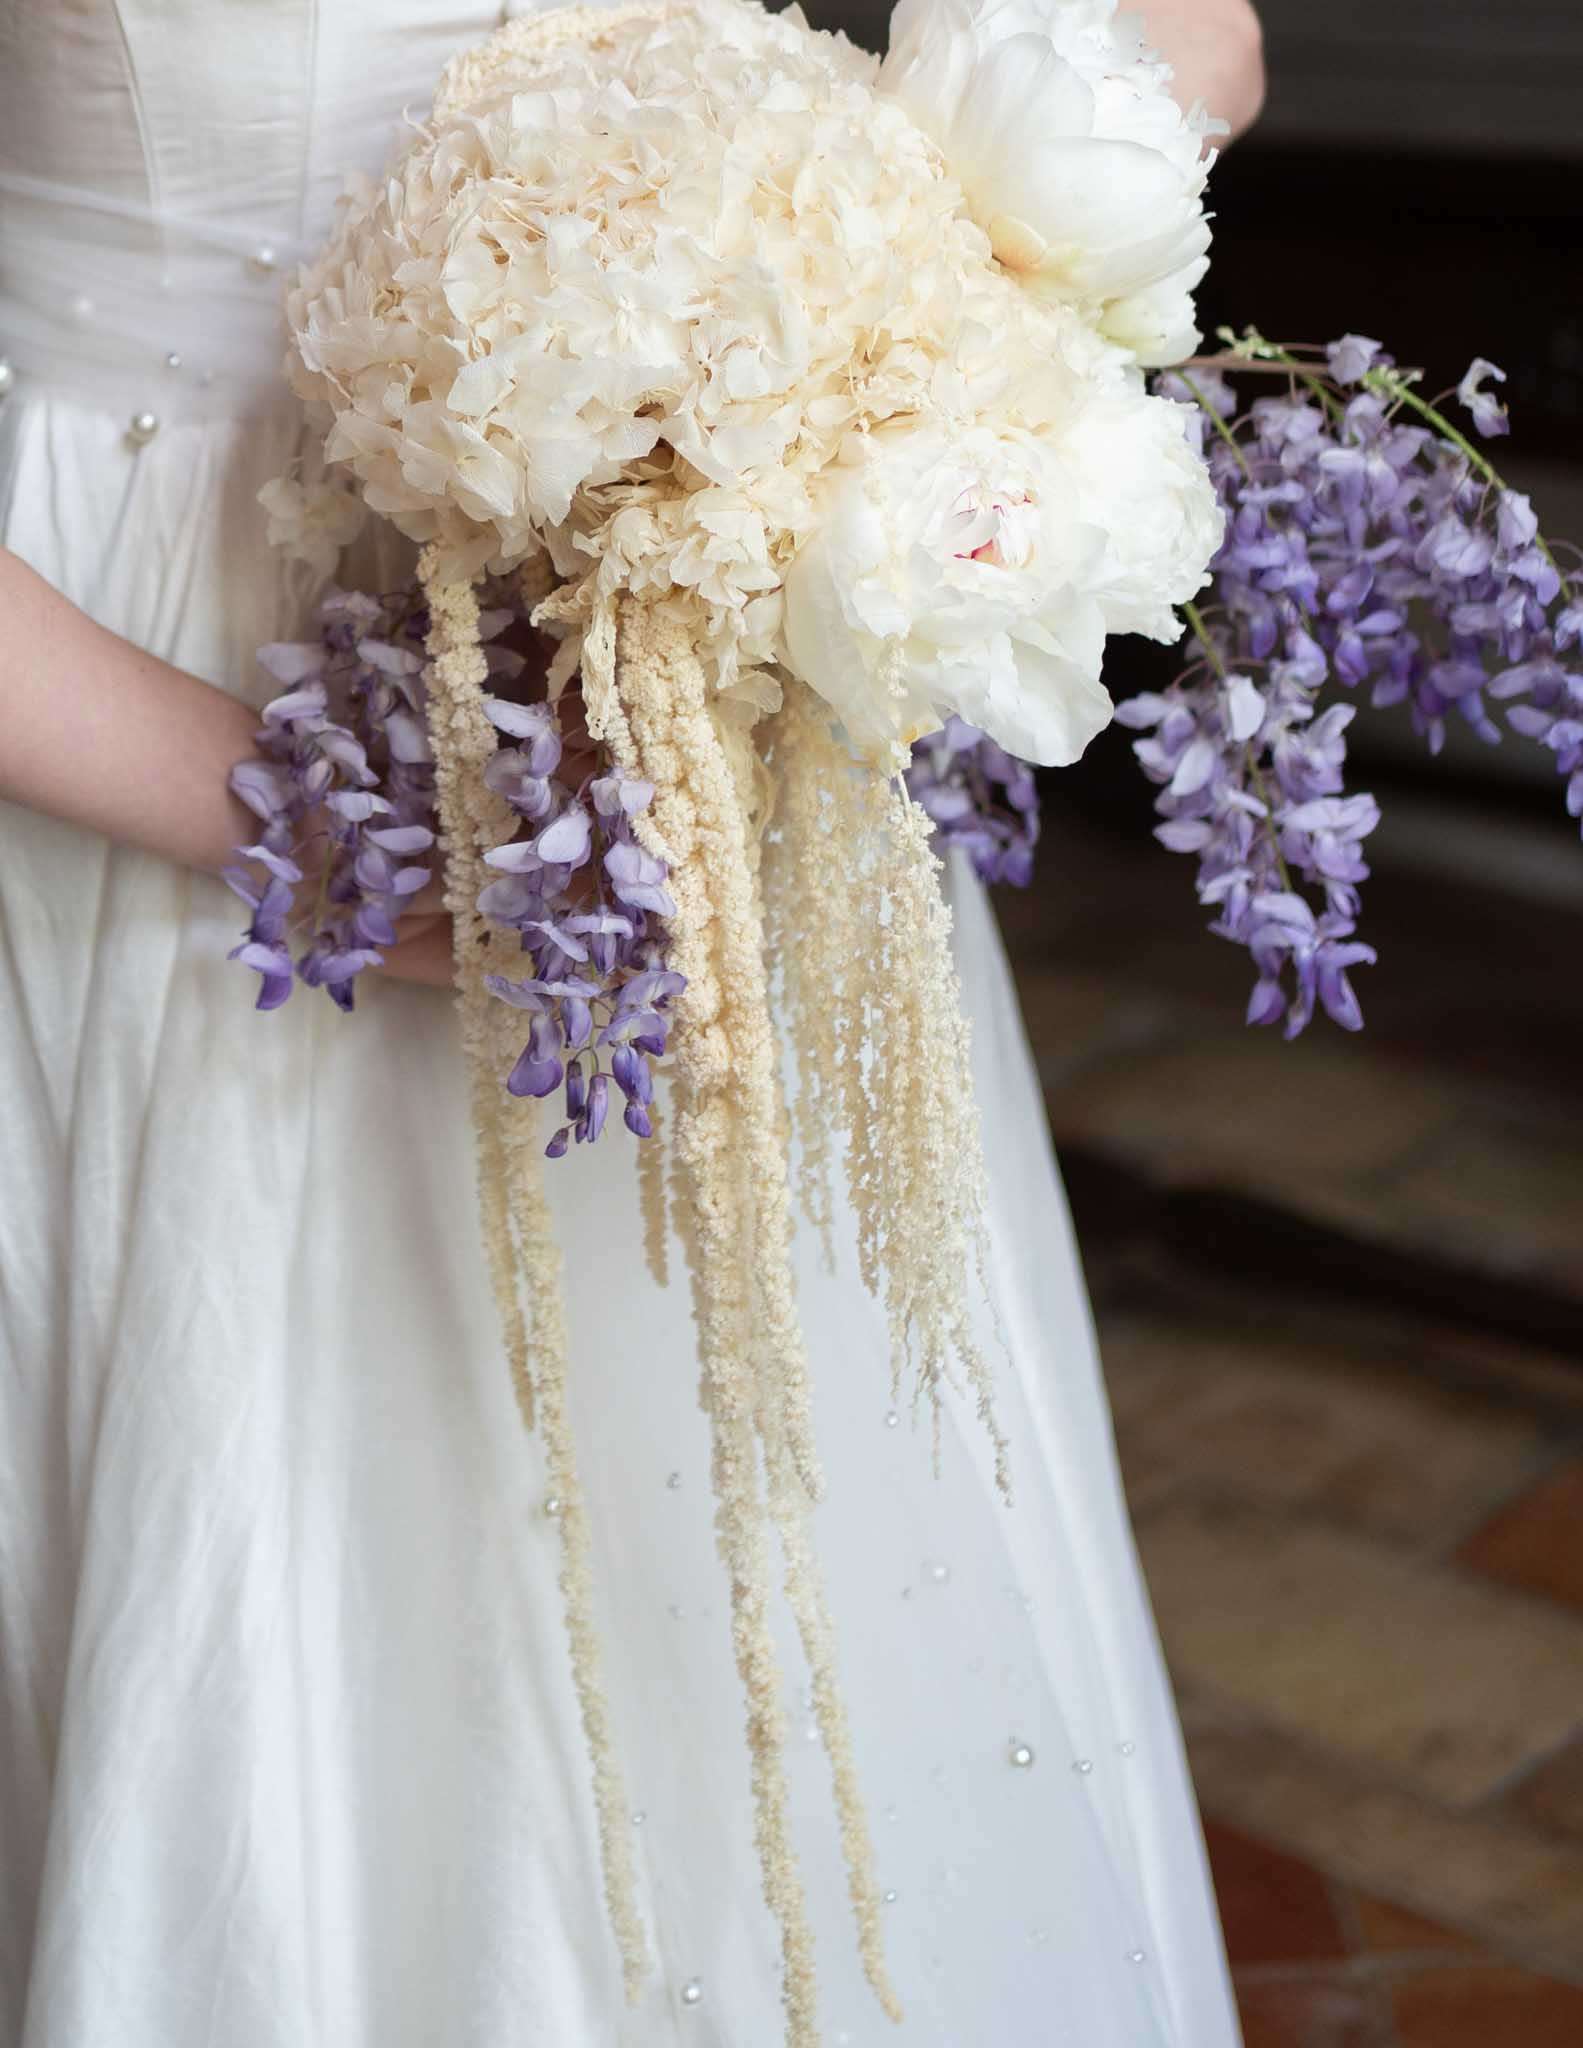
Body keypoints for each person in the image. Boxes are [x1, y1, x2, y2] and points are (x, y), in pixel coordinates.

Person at [0, 2, 1265, 2043]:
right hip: (139, 678)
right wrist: (290, 820)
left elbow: (1194, 40)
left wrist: (914, 322)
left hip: (689, 648)